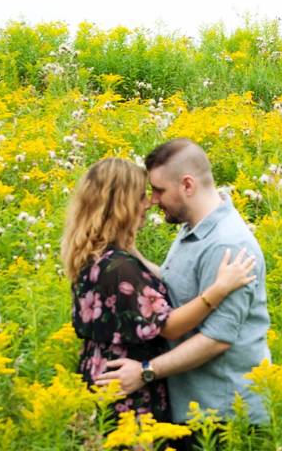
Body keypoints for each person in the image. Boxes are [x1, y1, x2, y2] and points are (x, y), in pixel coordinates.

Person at [96, 139, 271, 438]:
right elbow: (172, 283)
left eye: (160, 190)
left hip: (226, 414)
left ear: (187, 185)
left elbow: (217, 339)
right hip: (197, 407)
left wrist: (145, 371)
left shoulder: (227, 244)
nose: (153, 200)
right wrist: (130, 252)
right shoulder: (194, 229)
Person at [61, 157, 257, 421]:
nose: (149, 202)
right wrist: (218, 290)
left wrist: (131, 248)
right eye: (141, 196)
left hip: (101, 377)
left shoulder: (97, 257)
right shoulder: (120, 268)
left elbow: (145, 284)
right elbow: (170, 325)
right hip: (127, 392)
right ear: (123, 203)